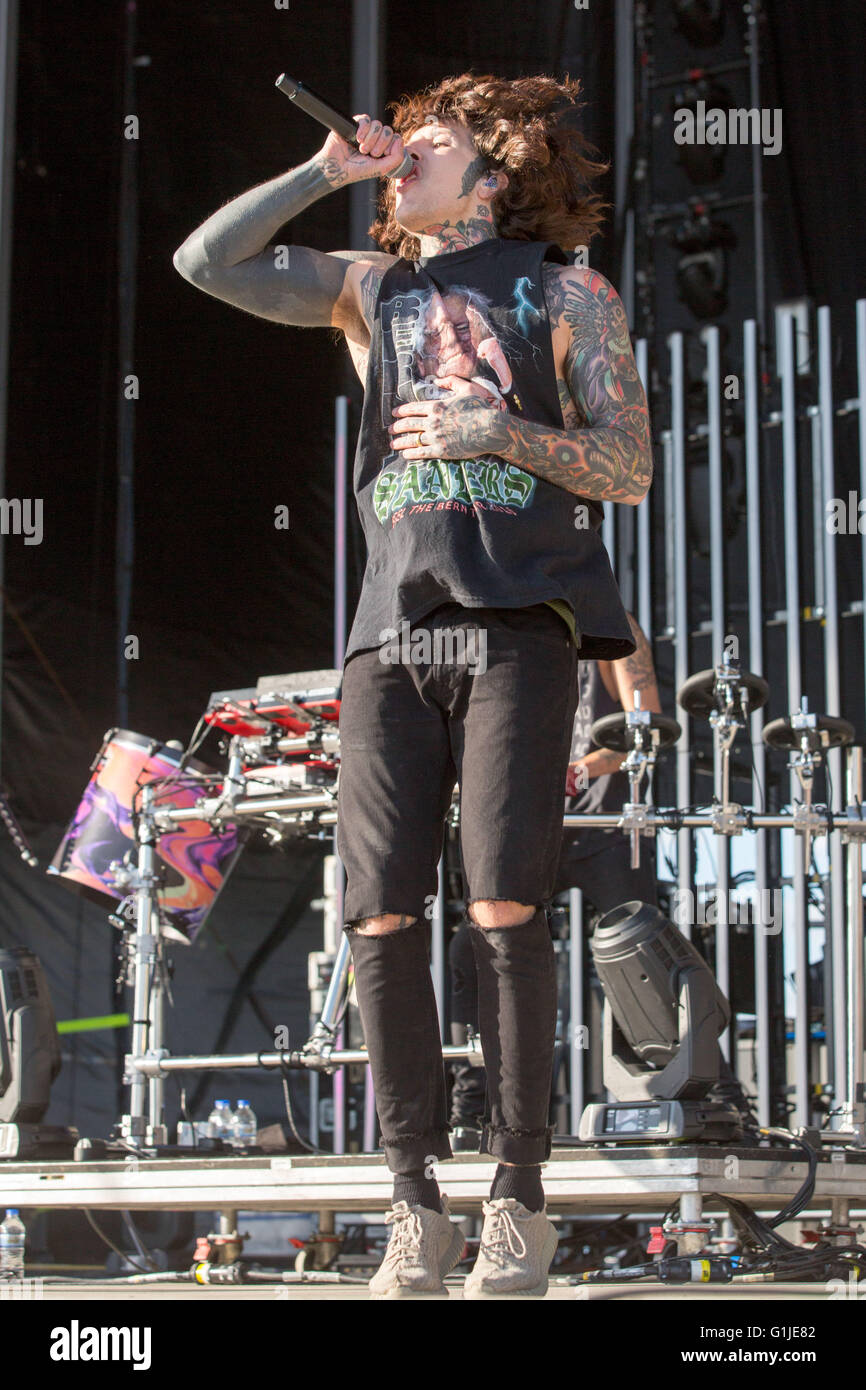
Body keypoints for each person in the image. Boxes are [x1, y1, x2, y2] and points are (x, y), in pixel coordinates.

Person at [174, 72, 652, 1299]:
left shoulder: (564, 292)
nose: (400, 154)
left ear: (491, 171)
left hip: (516, 626)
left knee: (503, 909)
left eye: (426, 144)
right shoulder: (366, 285)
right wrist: (326, 174)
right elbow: (204, 260)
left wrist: (494, 433)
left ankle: (518, 1198)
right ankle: (410, 1202)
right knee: (376, 915)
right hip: (388, 634)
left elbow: (627, 463)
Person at [448, 612, 662, 1142]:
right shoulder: (508, 628)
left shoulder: (615, 628)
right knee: (470, 953)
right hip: (534, 825)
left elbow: (646, 728)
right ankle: (471, 1108)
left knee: (647, 957)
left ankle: (717, 1098)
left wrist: (582, 768)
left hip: (604, 827)